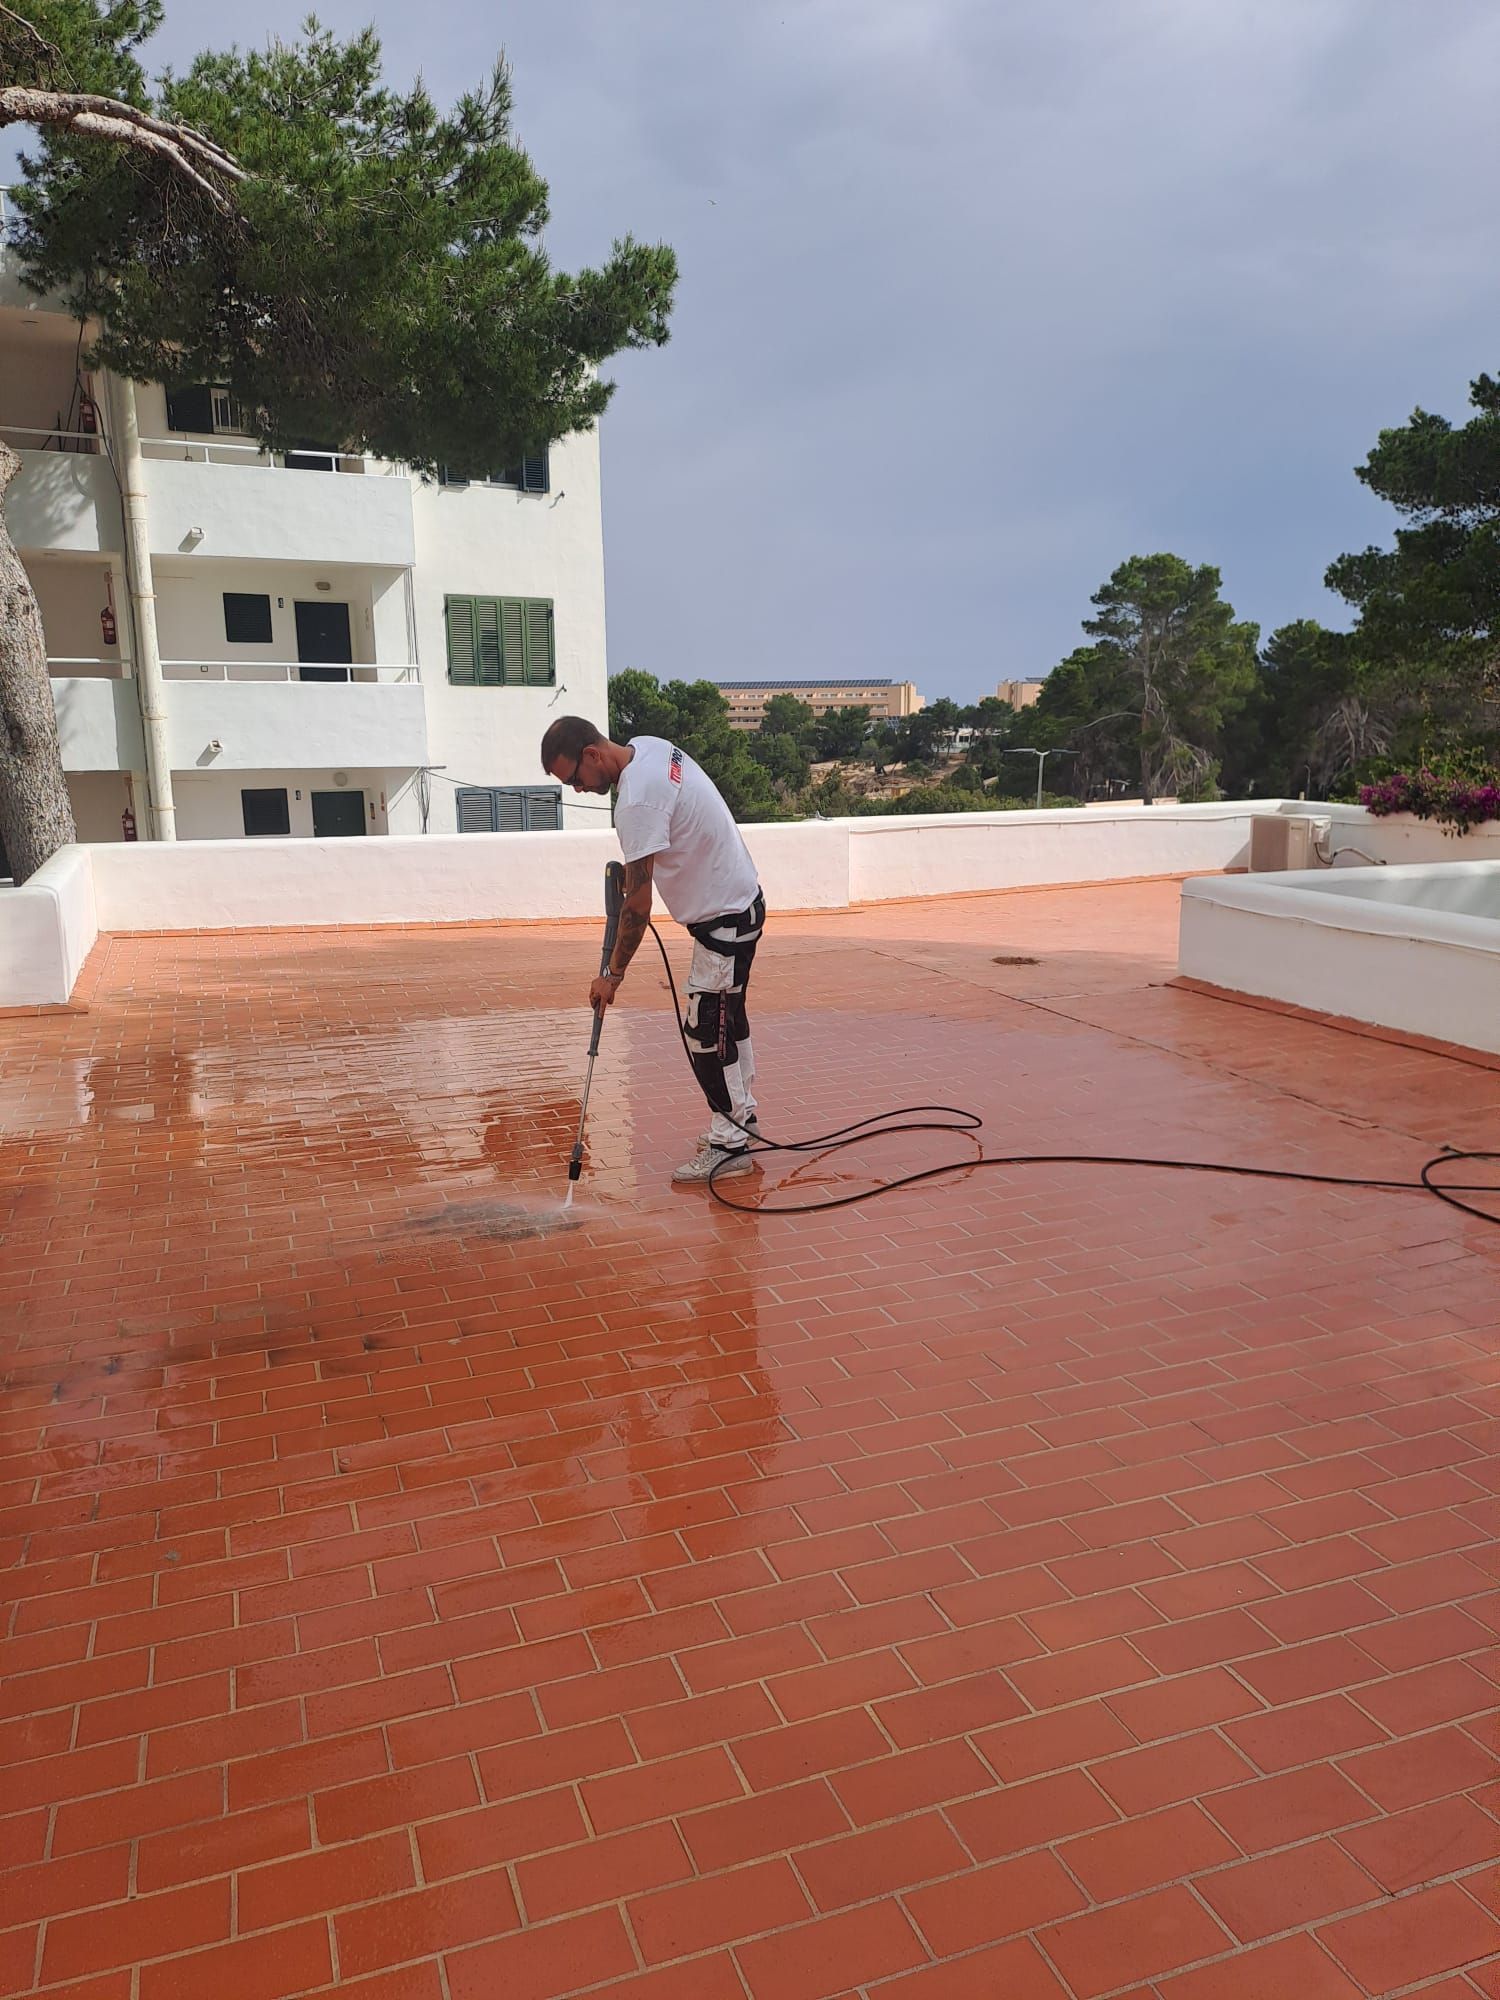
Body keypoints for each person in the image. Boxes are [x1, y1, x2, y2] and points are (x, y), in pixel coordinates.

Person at [540, 716, 764, 1184]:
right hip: (738, 904)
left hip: (725, 919)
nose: (577, 789)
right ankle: (741, 1123)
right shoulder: (648, 746)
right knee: (729, 1018)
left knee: (707, 1030)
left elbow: (638, 906)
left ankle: (731, 1146)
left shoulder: (636, 801)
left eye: (575, 778)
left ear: (592, 755)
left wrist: (612, 975)